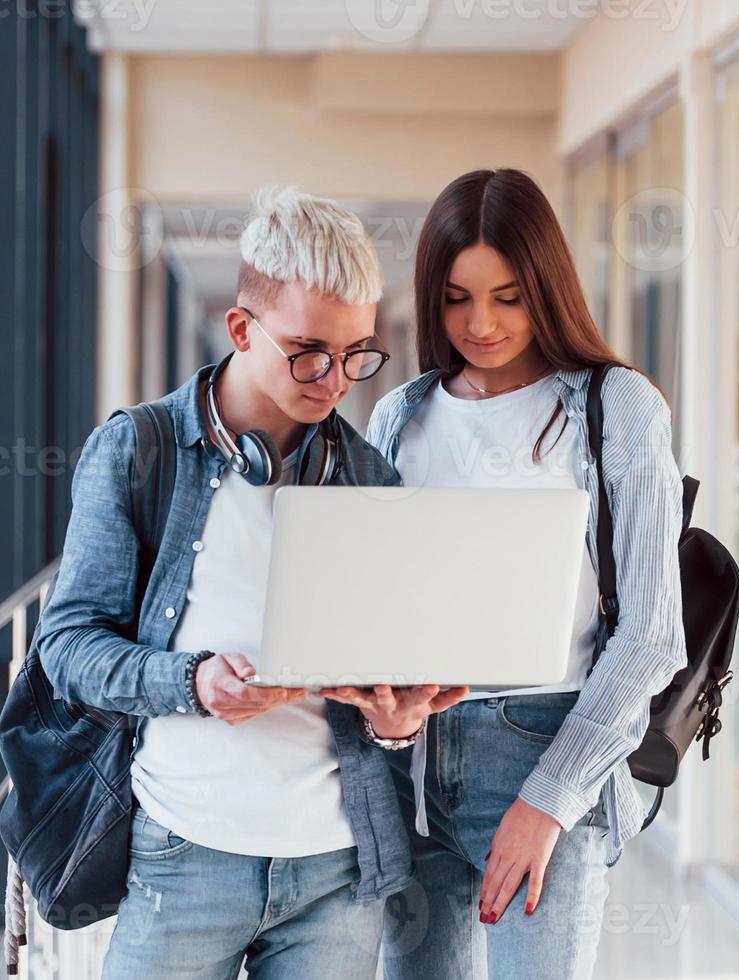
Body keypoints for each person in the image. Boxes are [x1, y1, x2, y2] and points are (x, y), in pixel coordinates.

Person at [34, 185, 466, 979]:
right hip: (183, 856)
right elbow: (66, 650)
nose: (336, 379)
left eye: (356, 353)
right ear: (241, 328)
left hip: (339, 870)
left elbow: (377, 686)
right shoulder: (139, 451)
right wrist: (194, 682)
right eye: (308, 350)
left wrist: (396, 719)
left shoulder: (369, 478)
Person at [364, 168, 687, 979]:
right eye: (456, 297)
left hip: (549, 741)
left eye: (508, 297)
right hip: (415, 758)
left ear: (546, 286)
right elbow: (375, 596)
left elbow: (651, 635)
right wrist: (387, 720)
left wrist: (548, 800)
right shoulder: (400, 415)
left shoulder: (617, 406)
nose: (481, 324)